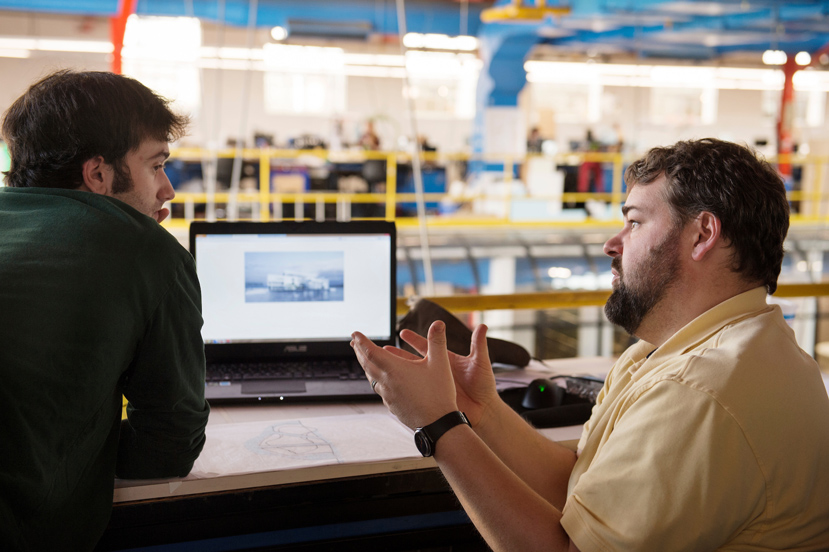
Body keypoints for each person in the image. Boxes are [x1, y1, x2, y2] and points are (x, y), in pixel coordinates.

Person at [351, 138, 829, 551]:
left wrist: (438, 426)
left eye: (635, 222)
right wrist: (479, 410)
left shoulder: (702, 390)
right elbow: (579, 490)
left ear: (703, 234)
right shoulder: (681, 352)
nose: (612, 244)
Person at [0, 70, 210, 551]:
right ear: (97, 174)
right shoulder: (147, 251)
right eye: (156, 166)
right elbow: (168, 447)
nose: (168, 189)